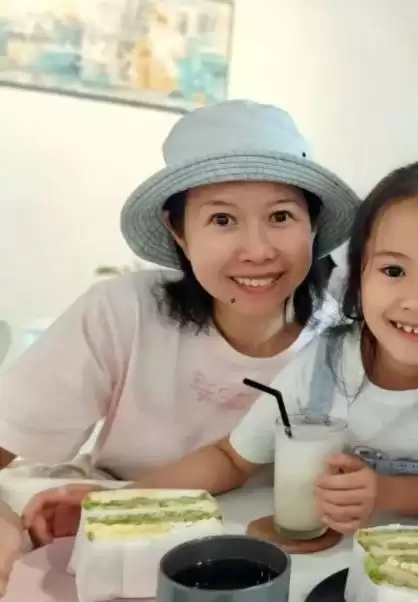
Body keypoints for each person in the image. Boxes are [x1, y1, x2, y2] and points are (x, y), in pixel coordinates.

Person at [24, 158, 418, 543]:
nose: (416, 301)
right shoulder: (322, 365)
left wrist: (384, 491)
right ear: (358, 278)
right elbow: (232, 458)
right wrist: (121, 503)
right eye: (393, 271)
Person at [0, 100, 360, 588]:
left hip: (275, 573)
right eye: (222, 220)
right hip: (112, 552)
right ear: (179, 230)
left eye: (280, 216)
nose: (257, 250)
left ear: (312, 225)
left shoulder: (347, 344)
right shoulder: (122, 312)